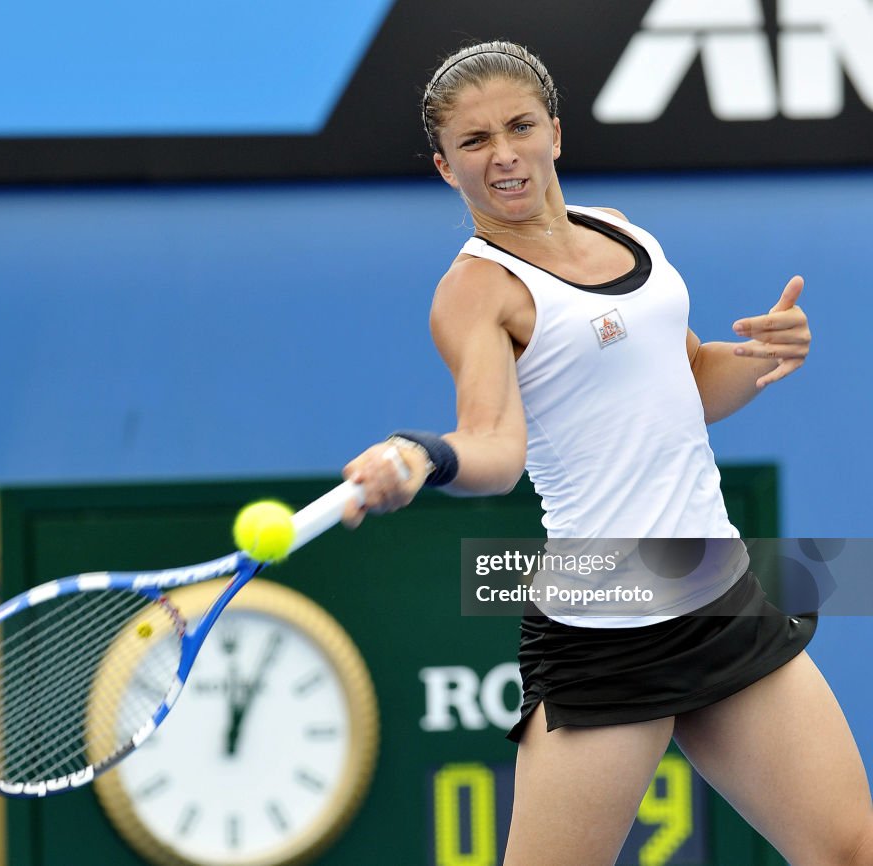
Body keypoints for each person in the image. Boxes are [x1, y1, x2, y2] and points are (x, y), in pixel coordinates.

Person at [341, 40, 873, 866]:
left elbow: (688, 381)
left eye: (520, 127)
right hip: (606, 624)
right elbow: (494, 448)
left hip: (715, 587)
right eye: (474, 142)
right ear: (446, 168)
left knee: (850, 850)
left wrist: (768, 356)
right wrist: (424, 456)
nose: (504, 155)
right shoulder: (476, 292)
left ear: (556, 132)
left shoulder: (623, 232)